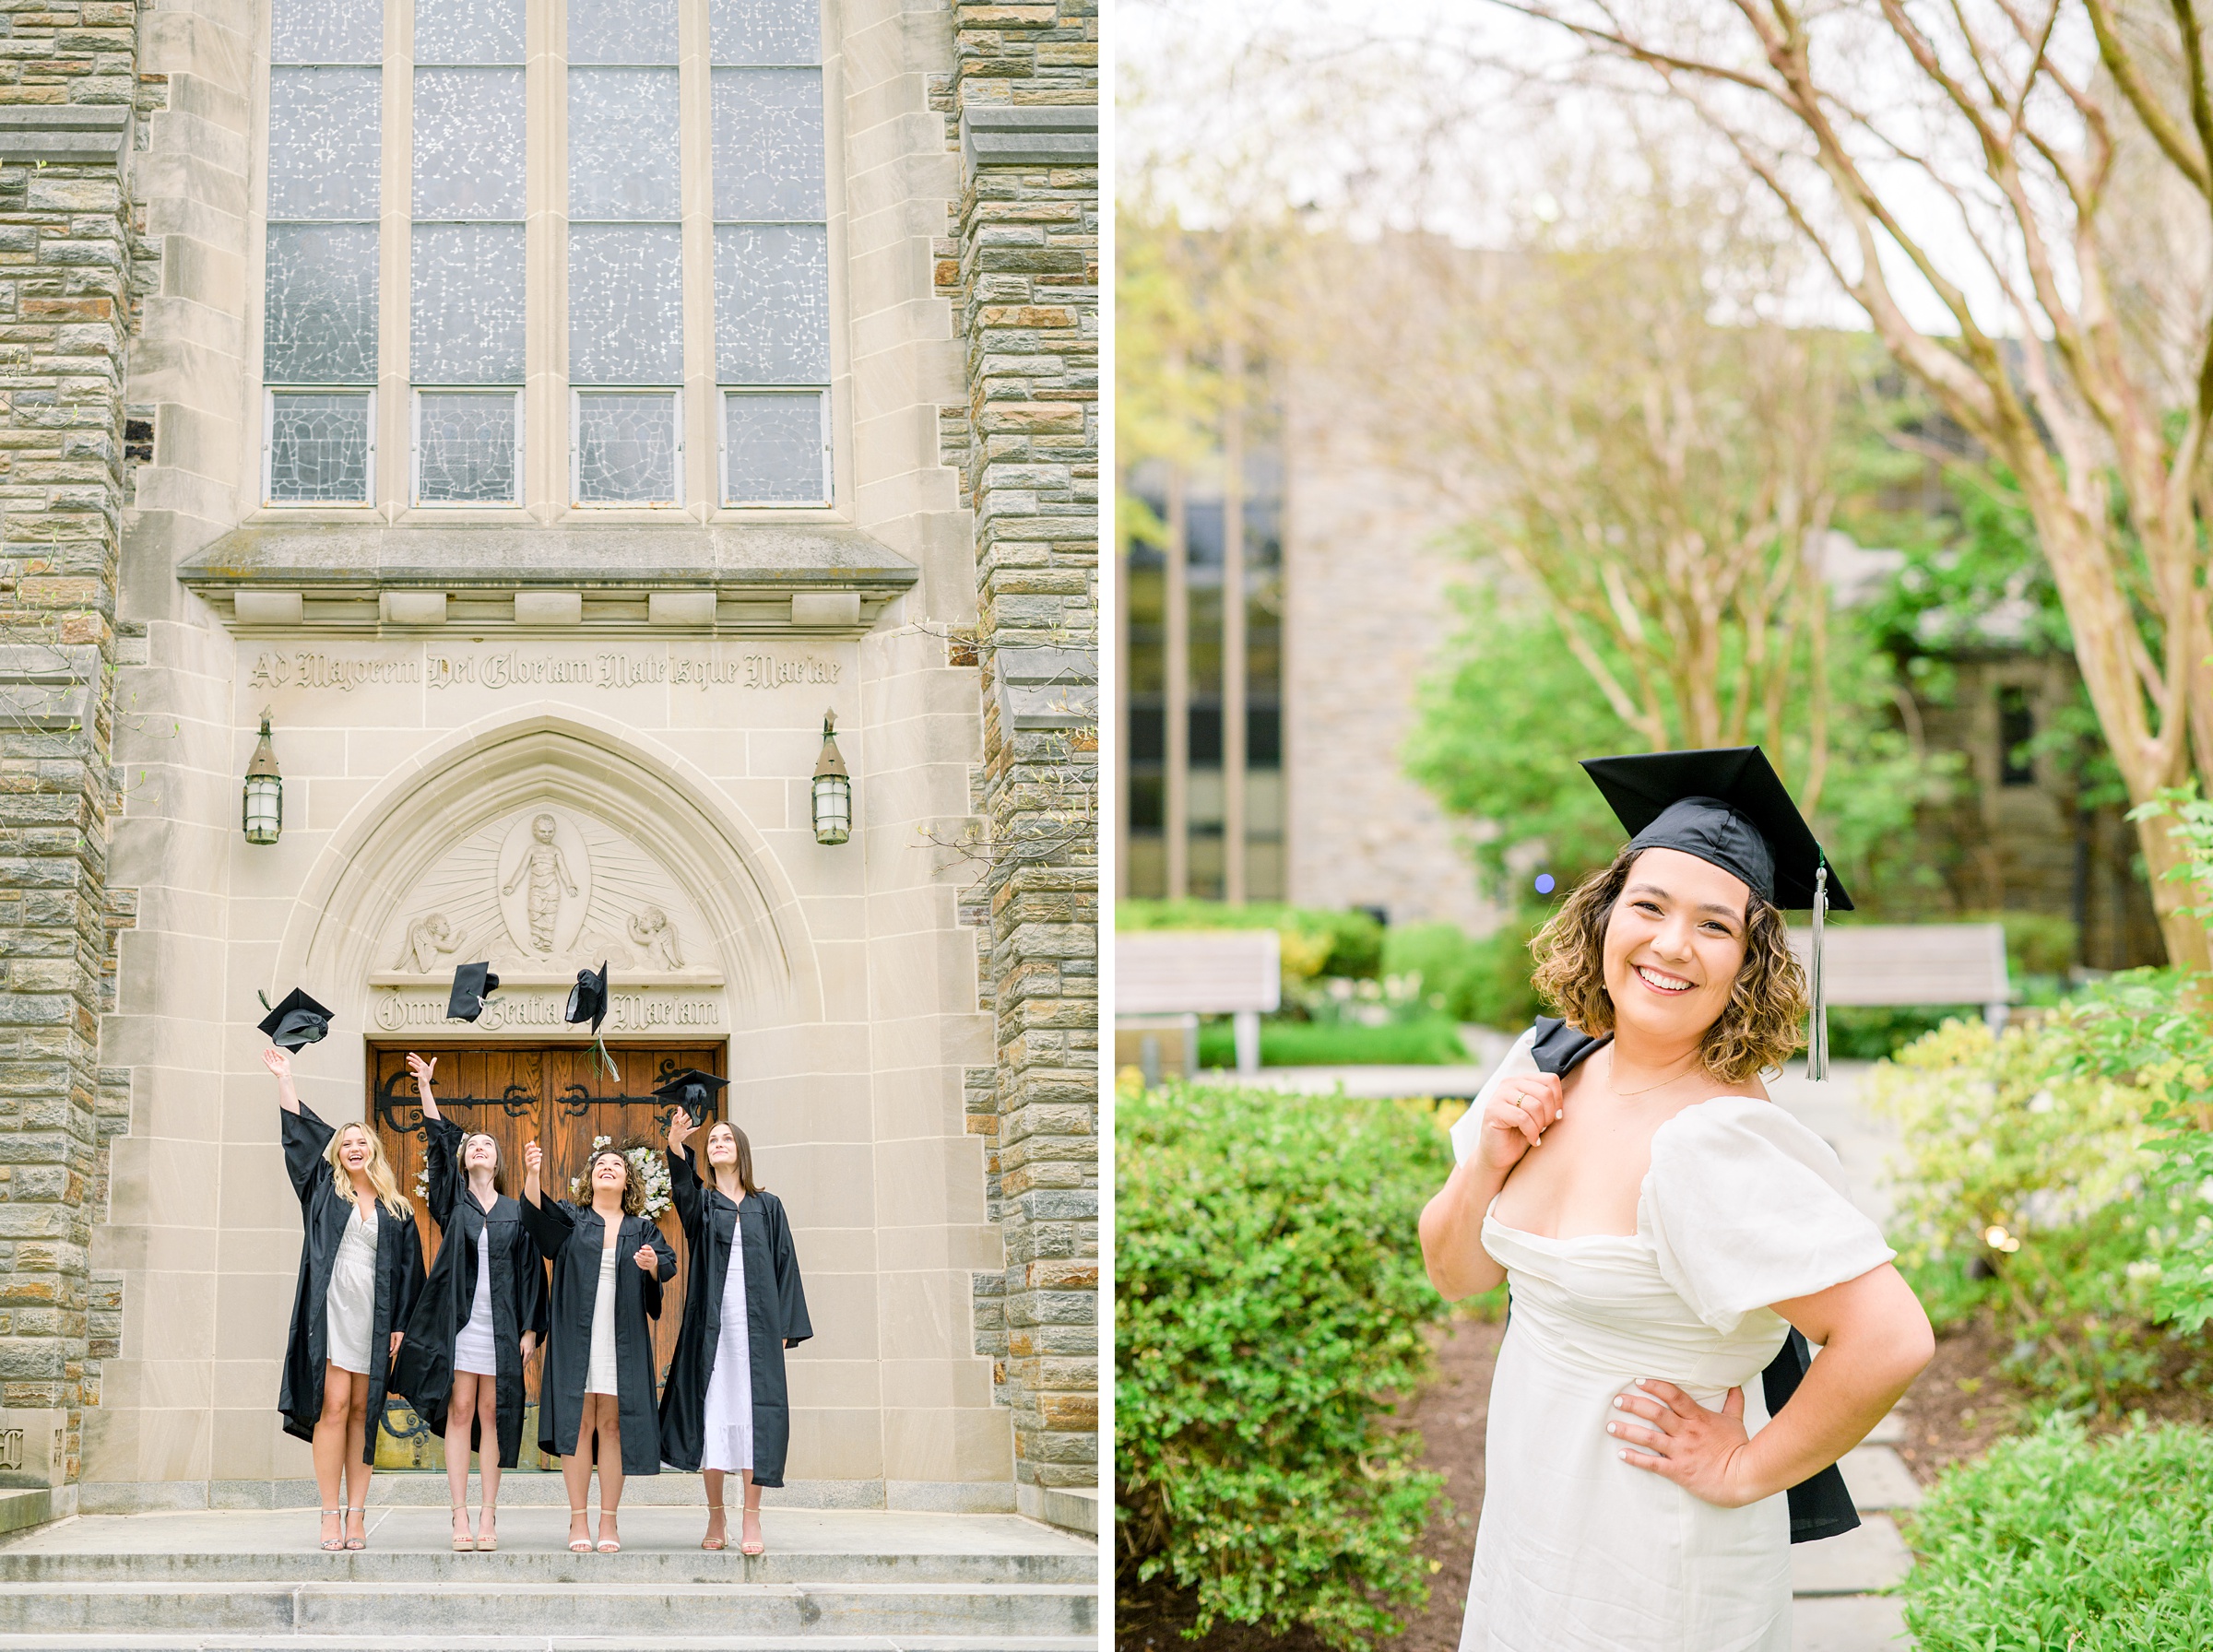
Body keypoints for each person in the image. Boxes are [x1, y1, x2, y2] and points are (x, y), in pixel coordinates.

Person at [1418, 747, 1935, 1652]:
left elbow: (1889, 1337)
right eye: (1649, 905)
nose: (1668, 944)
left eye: (1712, 925)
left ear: (1747, 963)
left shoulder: (1716, 1142)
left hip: (1655, 1554)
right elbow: (1455, 1272)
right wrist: (1486, 1162)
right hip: (1533, 1515)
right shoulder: (1550, 1058)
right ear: (1606, 913)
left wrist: (1744, 1468)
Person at [264, 1045, 424, 1553]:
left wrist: (400, 1324)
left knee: (363, 1409)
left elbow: (409, 1273)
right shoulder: (322, 1192)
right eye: (346, 1142)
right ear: (337, 1153)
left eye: (363, 1141)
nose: (355, 1147)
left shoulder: (397, 1210)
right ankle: (329, 1514)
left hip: (374, 1321)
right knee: (332, 1406)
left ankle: (358, 1515)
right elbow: (298, 1138)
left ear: (374, 1151)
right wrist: (286, 1079)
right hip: (332, 1313)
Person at [388, 1053, 547, 1552]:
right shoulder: (451, 1202)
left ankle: (488, 1517)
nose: (479, 1148)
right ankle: (458, 1515)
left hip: (500, 1328)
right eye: (472, 1145)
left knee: (493, 1414)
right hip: (457, 1326)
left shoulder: (516, 1212)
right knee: (459, 1410)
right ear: (464, 1161)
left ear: (497, 1162)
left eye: (487, 1145)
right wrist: (425, 1088)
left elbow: (531, 1271)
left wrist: (528, 1329)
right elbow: (438, 1137)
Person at [657, 1084, 812, 1555]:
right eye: (714, 1140)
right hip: (713, 1329)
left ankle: (751, 1519)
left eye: (727, 1139)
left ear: (741, 1151)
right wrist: (676, 1144)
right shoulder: (703, 1203)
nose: (719, 1144)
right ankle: (715, 1516)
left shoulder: (769, 1206)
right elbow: (682, 1189)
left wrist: (786, 1326)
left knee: (753, 1418)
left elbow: (786, 1264)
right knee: (714, 1414)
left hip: (759, 1330)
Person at [519, 1137, 676, 1553]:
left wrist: (652, 1265)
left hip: (620, 1335)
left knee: (612, 1424)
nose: (608, 1168)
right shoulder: (572, 1217)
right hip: (577, 1332)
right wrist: (533, 1174)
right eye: (601, 1164)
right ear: (591, 1178)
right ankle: (577, 1521)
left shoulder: (641, 1228)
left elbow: (668, 1263)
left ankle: (609, 1521)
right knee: (579, 1422)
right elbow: (536, 1218)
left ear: (628, 1182)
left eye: (617, 1166)